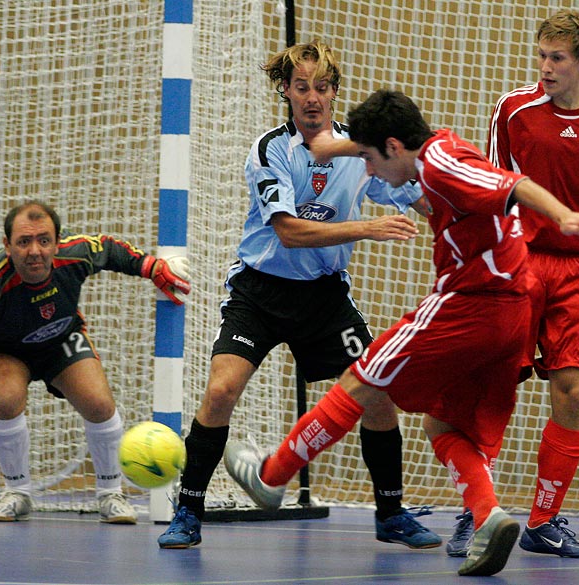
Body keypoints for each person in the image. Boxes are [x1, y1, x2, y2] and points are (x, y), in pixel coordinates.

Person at [223, 88, 579, 577]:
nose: (371, 172)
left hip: (467, 306)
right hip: (511, 317)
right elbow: (392, 156)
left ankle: (271, 478)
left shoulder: (443, 164)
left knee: (358, 381)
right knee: (443, 427)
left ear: (395, 147)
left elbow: (514, 185)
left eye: (372, 160)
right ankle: (490, 517)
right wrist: (334, 147)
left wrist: (564, 215)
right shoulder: (435, 148)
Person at [157, 42, 440, 550]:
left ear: (335, 91)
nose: (313, 98)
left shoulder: (358, 148)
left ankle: (391, 514)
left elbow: (416, 195)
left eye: (323, 87)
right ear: (285, 91)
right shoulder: (271, 149)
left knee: (378, 396)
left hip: (324, 298)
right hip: (260, 292)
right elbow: (287, 230)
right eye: (301, 87)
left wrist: (466, 214)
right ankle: (188, 510)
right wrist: (367, 228)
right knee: (221, 390)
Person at [445, 9, 579, 559]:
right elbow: (490, 189)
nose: (544, 67)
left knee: (575, 390)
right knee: (493, 389)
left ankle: (544, 519)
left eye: (556, 58)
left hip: (576, 270)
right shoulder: (513, 110)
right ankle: (478, 512)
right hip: (517, 265)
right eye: (541, 55)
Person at [0, 200, 191, 523]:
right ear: (7, 246)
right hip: (4, 349)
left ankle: (110, 494)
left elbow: (109, 248)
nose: (35, 251)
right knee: (4, 399)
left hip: (60, 340)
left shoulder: (75, 253)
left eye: (44, 240)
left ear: (57, 242)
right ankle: (17, 492)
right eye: (23, 241)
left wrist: (152, 267)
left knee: (99, 404)